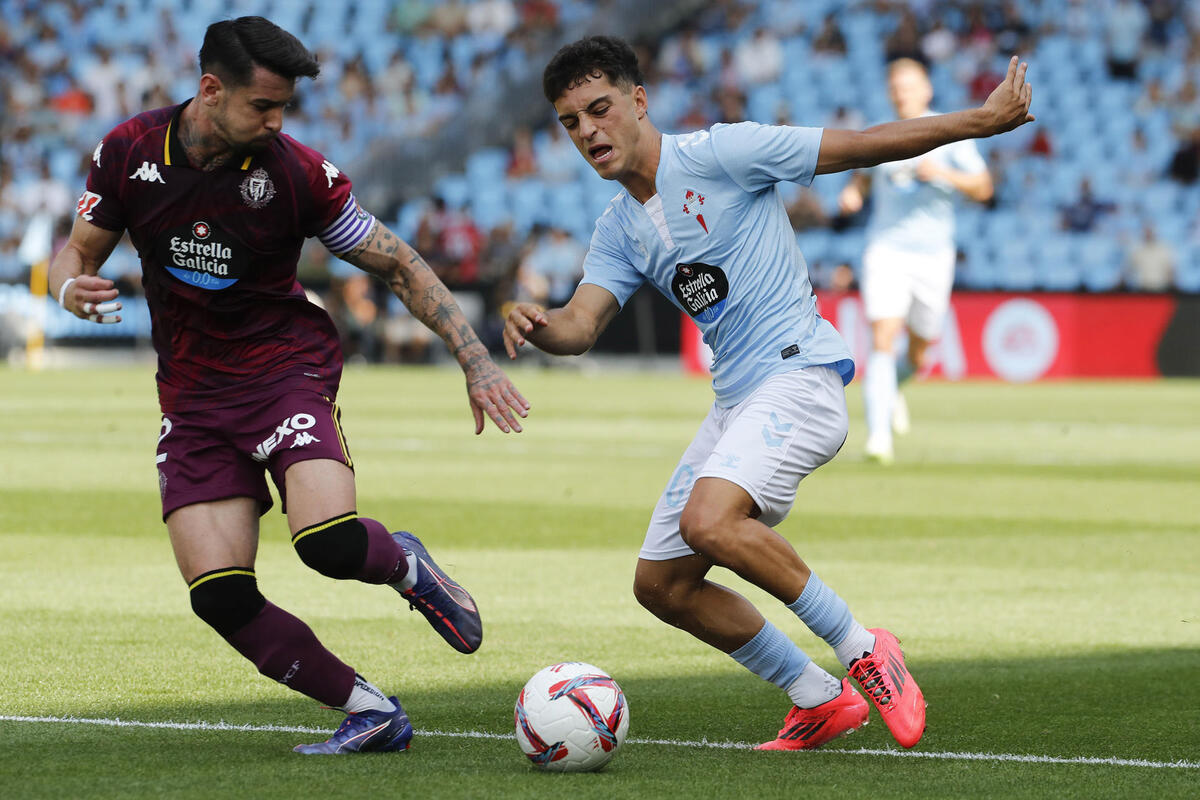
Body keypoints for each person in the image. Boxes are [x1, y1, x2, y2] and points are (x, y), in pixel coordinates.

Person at [504, 36, 1032, 752]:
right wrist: (538, 323)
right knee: (661, 586)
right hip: (738, 402)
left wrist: (978, 121)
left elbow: (863, 143)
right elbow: (580, 326)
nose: (588, 131)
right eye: (571, 123)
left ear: (638, 101)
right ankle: (818, 698)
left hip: (800, 376)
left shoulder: (724, 153)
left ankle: (864, 647)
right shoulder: (619, 229)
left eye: (599, 110)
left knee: (710, 521)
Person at [48, 17, 530, 755]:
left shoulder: (296, 172)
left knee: (328, 541)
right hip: (193, 397)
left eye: (284, 110)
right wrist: (67, 291)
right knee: (219, 595)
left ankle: (406, 566)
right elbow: (75, 252)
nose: (276, 123)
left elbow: (397, 262)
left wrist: (474, 357)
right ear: (211, 90)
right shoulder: (128, 152)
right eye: (262, 107)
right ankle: (370, 710)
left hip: (283, 373)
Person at [838, 58, 995, 463]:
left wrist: (943, 174)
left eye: (908, 85)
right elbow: (863, 175)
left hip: (933, 254)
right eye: (895, 86)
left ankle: (894, 391)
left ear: (927, 89)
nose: (901, 92)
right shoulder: (879, 132)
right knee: (883, 337)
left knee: (920, 353)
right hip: (886, 248)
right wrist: (855, 193)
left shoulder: (949, 133)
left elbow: (983, 187)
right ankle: (877, 439)